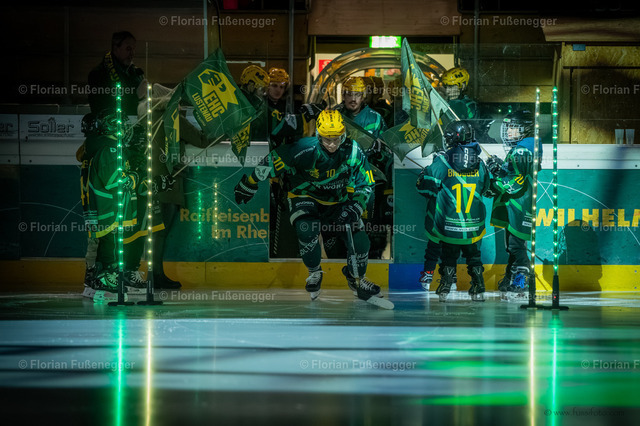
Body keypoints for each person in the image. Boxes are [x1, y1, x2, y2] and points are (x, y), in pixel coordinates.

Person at [233, 110, 381, 301]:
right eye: (327, 139)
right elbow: (272, 161)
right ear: (318, 135)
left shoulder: (353, 151)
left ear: (344, 135)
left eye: (337, 139)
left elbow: (366, 183)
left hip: (339, 200)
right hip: (305, 195)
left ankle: (356, 277)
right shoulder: (303, 149)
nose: (332, 144)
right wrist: (250, 182)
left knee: (361, 241)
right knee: (306, 229)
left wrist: (356, 207)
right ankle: (314, 272)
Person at [416, 120, 493, 302]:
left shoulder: (443, 161)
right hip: (474, 227)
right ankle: (479, 286)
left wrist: (424, 174)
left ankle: (445, 286)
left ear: (451, 139)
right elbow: (488, 189)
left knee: (448, 255)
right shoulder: (480, 163)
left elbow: (424, 187)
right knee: (474, 256)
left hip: (449, 225)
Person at [335, 76, 392, 259]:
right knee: (339, 226)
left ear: (364, 96)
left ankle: (371, 259)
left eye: (357, 95)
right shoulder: (334, 115)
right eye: (349, 94)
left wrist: (380, 150)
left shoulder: (376, 118)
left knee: (371, 226)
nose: (353, 99)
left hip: (369, 181)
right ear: (343, 95)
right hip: (338, 181)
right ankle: (341, 261)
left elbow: (389, 152)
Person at [486, 110, 541, 299]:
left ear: (525, 128)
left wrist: (495, 182)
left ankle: (522, 279)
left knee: (516, 246)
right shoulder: (528, 146)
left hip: (518, 205)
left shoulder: (521, 150)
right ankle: (509, 278)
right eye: (508, 127)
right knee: (514, 245)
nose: (508, 131)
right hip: (522, 203)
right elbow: (516, 172)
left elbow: (514, 181)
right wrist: (501, 168)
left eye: (513, 127)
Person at [88, 31, 146, 116]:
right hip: (112, 123)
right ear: (116, 49)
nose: (132, 53)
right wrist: (136, 96)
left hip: (136, 121)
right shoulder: (99, 75)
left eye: (134, 49)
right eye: (128, 49)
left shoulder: (136, 73)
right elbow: (102, 109)